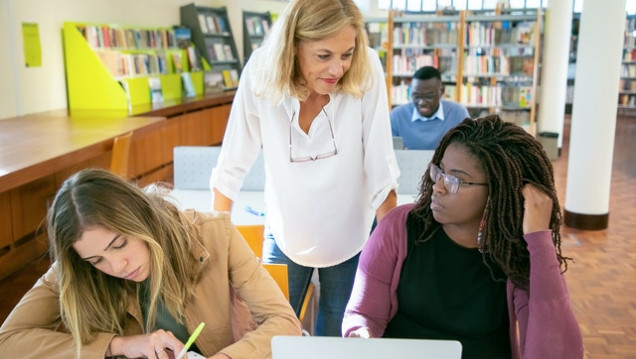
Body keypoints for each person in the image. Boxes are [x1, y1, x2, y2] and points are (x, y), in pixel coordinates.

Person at [210, 0, 399, 336]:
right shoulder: (260, 72)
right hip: (286, 231)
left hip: (350, 234)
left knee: (336, 339)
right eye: (323, 55)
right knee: (270, 335)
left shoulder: (366, 68)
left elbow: (381, 167)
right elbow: (230, 166)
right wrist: (216, 251)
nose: (338, 69)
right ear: (293, 47)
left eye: (346, 54)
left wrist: (395, 259)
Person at [343, 115, 584, 359]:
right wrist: (360, 333)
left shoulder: (515, 251)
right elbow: (364, 314)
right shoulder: (399, 227)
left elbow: (557, 353)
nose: (439, 186)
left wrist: (540, 240)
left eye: (455, 179)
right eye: (440, 171)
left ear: (497, 191)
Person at [0, 169, 301, 359]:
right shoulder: (77, 266)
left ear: (142, 219)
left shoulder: (214, 233)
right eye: (97, 260)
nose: (117, 266)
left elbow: (284, 323)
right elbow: (7, 341)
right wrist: (120, 345)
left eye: (119, 244)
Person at [390, 66, 470, 150]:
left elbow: (470, 150)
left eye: (429, 96)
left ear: (441, 92)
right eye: (416, 96)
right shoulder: (396, 116)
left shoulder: (458, 113)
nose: (422, 102)